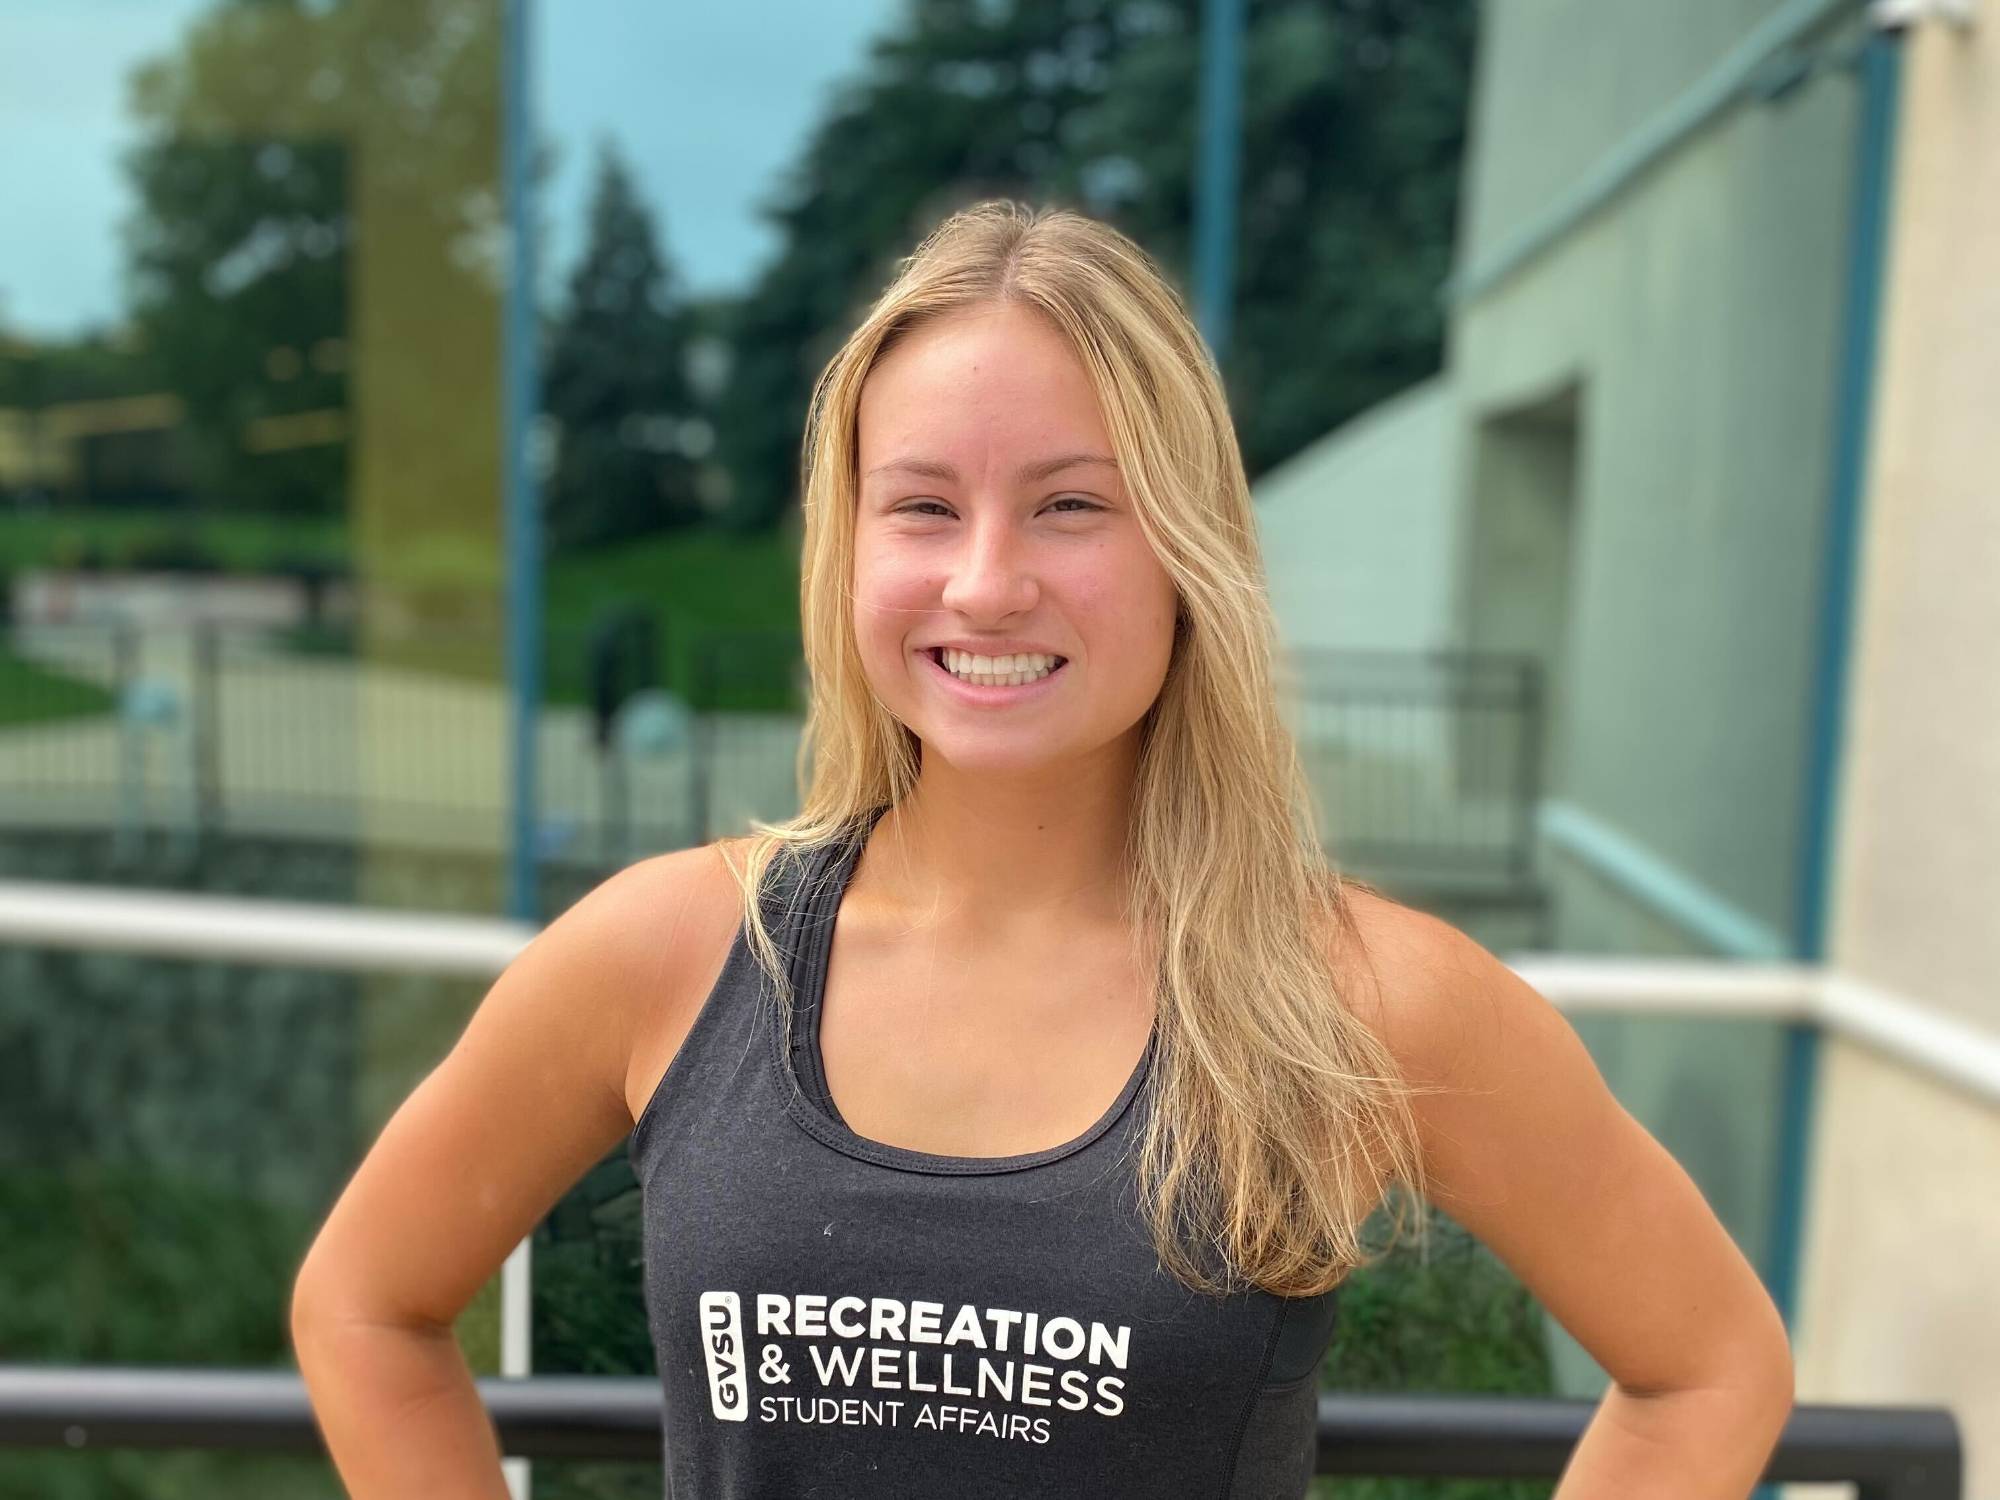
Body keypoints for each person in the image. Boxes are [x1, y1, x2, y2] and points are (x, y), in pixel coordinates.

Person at [290, 200, 1793, 1498]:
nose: (986, 582)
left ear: (1188, 551)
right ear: (849, 547)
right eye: (922, 507)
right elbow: (365, 1307)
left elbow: (1710, 1369)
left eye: (1071, 506)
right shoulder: (669, 951)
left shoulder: (1367, 999)